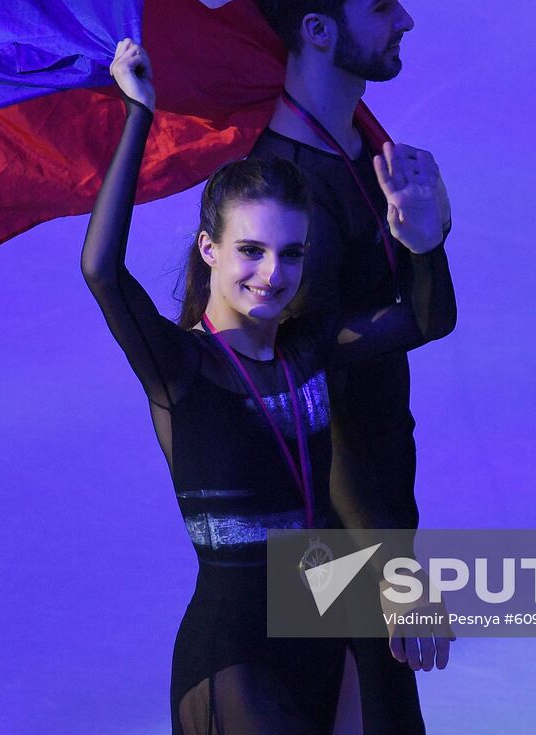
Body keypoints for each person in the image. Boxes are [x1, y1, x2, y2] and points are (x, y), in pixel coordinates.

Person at [82, 39, 454, 734]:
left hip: (324, 633)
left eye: (290, 252)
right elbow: (101, 269)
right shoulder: (180, 367)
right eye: (250, 249)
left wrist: (426, 243)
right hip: (234, 660)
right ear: (209, 248)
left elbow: (425, 319)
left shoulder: (309, 348)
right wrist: (139, 115)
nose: (271, 273)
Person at [246, 0, 454, 733]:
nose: (404, 19)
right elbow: (314, 386)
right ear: (320, 31)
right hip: (329, 535)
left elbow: (420, 321)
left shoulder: (360, 151)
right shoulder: (287, 189)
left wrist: (427, 242)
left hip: (361, 518)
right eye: (382, 3)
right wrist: (391, 571)